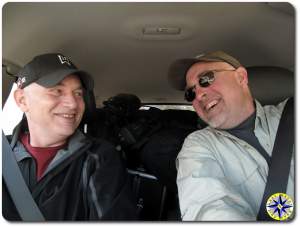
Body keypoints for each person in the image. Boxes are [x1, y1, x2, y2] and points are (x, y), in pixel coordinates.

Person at [2, 53, 137, 221]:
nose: (73, 104)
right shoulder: (3, 152)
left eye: (78, 94)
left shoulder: (98, 158)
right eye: (57, 91)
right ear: (22, 100)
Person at [167, 51, 294, 221]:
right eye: (190, 93)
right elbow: (207, 207)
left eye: (205, 79)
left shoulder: (292, 114)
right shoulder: (198, 147)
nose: (198, 95)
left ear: (241, 77)